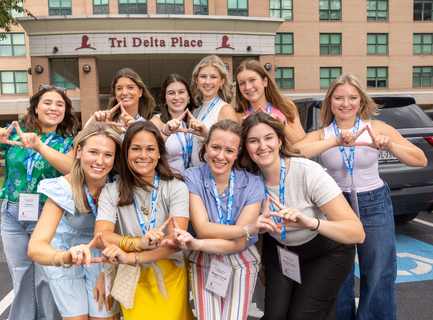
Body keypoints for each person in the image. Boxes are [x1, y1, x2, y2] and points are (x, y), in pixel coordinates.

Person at [293, 73, 427, 320]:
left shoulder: (376, 128)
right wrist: (334, 141)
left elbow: (421, 159)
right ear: (330, 102)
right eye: (339, 98)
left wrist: (391, 146)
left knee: (378, 270)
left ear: (361, 101)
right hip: (335, 204)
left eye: (352, 97)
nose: (346, 103)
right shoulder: (323, 133)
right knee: (338, 271)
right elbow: (294, 151)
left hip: (374, 202)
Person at [0, 84, 79, 320]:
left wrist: (39, 145)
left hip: (48, 216)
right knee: (21, 275)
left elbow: (70, 168)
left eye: (60, 105)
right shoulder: (15, 133)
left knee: (47, 277)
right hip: (12, 214)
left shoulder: (69, 141)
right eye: (47, 102)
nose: (54, 108)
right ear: (36, 108)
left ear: (65, 112)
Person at [237, 112, 365, 319]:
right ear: (246, 147)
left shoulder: (308, 172)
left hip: (325, 252)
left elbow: (357, 233)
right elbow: (259, 230)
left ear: (279, 140)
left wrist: (310, 223)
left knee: (301, 316)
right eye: (253, 140)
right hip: (281, 252)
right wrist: (260, 264)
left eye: (268, 138)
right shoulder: (249, 180)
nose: (262, 146)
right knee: (275, 316)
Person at [94, 121, 195, 320]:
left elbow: (176, 242)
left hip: (170, 274)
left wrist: (134, 255)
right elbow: (100, 237)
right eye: (136, 149)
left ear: (159, 153)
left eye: (150, 149)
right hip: (131, 275)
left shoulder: (176, 187)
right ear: (125, 154)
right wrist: (137, 243)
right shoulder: (111, 190)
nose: (143, 155)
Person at [28, 124, 122, 320]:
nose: (99, 161)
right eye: (93, 152)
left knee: (103, 316)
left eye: (108, 155)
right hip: (67, 251)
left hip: (104, 255)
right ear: (78, 151)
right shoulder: (63, 187)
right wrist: (65, 257)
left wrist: (108, 271)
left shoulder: (120, 186)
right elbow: (35, 247)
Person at [180, 119, 266, 320]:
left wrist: (244, 234)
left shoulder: (253, 183)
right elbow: (202, 228)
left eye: (229, 150)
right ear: (206, 145)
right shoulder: (192, 176)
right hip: (203, 257)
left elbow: (240, 243)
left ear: (238, 153)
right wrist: (247, 230)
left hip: (241, 258)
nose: (220, 156)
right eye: (215, 147)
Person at [235, 59, 305, 144]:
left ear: (265, 82)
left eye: (252, 80)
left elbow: (303, 142)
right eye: (242, 83)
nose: (248, 87)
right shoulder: (238, 116)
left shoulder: (286, 107)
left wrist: (281, 124)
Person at [189, 55, 238, 167]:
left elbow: (232, 147)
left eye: (213, 77)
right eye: (203, 76)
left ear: (222, 81)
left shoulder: (225, 110)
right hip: (195, 177)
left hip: (215, 177)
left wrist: (207, 134)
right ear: (197, 80)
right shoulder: (195, 112)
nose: (207, 82)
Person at [151, 74, 198, 174]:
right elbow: (148, 152)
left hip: (188, 184)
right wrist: (165, 133)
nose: (177, 97)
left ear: (188, 97)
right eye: (171, 93)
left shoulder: (189, 123)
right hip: (166, 182)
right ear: (164, 99)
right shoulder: (157, 122)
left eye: (181, 92)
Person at [94, 68, 155, 137]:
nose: (124, 93)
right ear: (115, 93)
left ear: (140, 92)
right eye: (119, 88)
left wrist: (136, 131)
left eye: (130, 87)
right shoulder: (102, 120)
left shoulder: (146, 127)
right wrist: (91, 127)